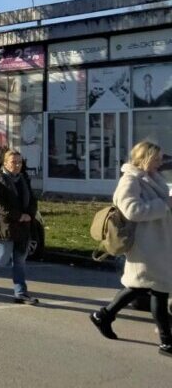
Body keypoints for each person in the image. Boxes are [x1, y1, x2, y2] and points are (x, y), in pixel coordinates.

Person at [90, 141, 172, 357]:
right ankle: (166, 342)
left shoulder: (153, 177)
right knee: (158, 290)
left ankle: (103, 316)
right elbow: (131, 210)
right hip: (145, 245)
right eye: (157, 158)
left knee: (143, 287)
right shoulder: (130, 180)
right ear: (145, 158)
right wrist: (164, 206)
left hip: (158, 243)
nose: (161, 162)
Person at [0, 149, 40, 305]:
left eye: (19, 162)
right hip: (4, 226)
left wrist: (30, 214)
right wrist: (18, 215)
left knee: (20, 261)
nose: (17, 165)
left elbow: (32, 199)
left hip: (23, 227)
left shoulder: (23, 178)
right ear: (5, 163)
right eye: (13, 162)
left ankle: (21, 293)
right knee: (2, 259)